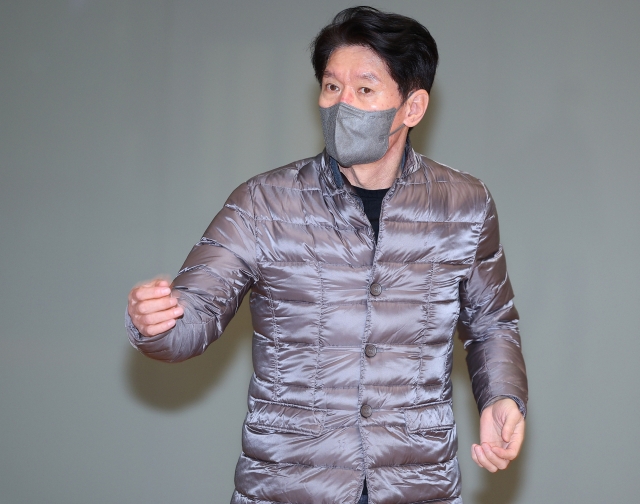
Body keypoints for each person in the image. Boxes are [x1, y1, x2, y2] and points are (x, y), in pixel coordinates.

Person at [126, 6, 527, 504]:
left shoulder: (465, 203)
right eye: (332, 87)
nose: (342, 105)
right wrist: (156, 324)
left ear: (413, 107)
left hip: (415, 483)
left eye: (365, 89)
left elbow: (491, 323)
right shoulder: (263, 202)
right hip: (290, 484)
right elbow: (194, 317)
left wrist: (502, 395)